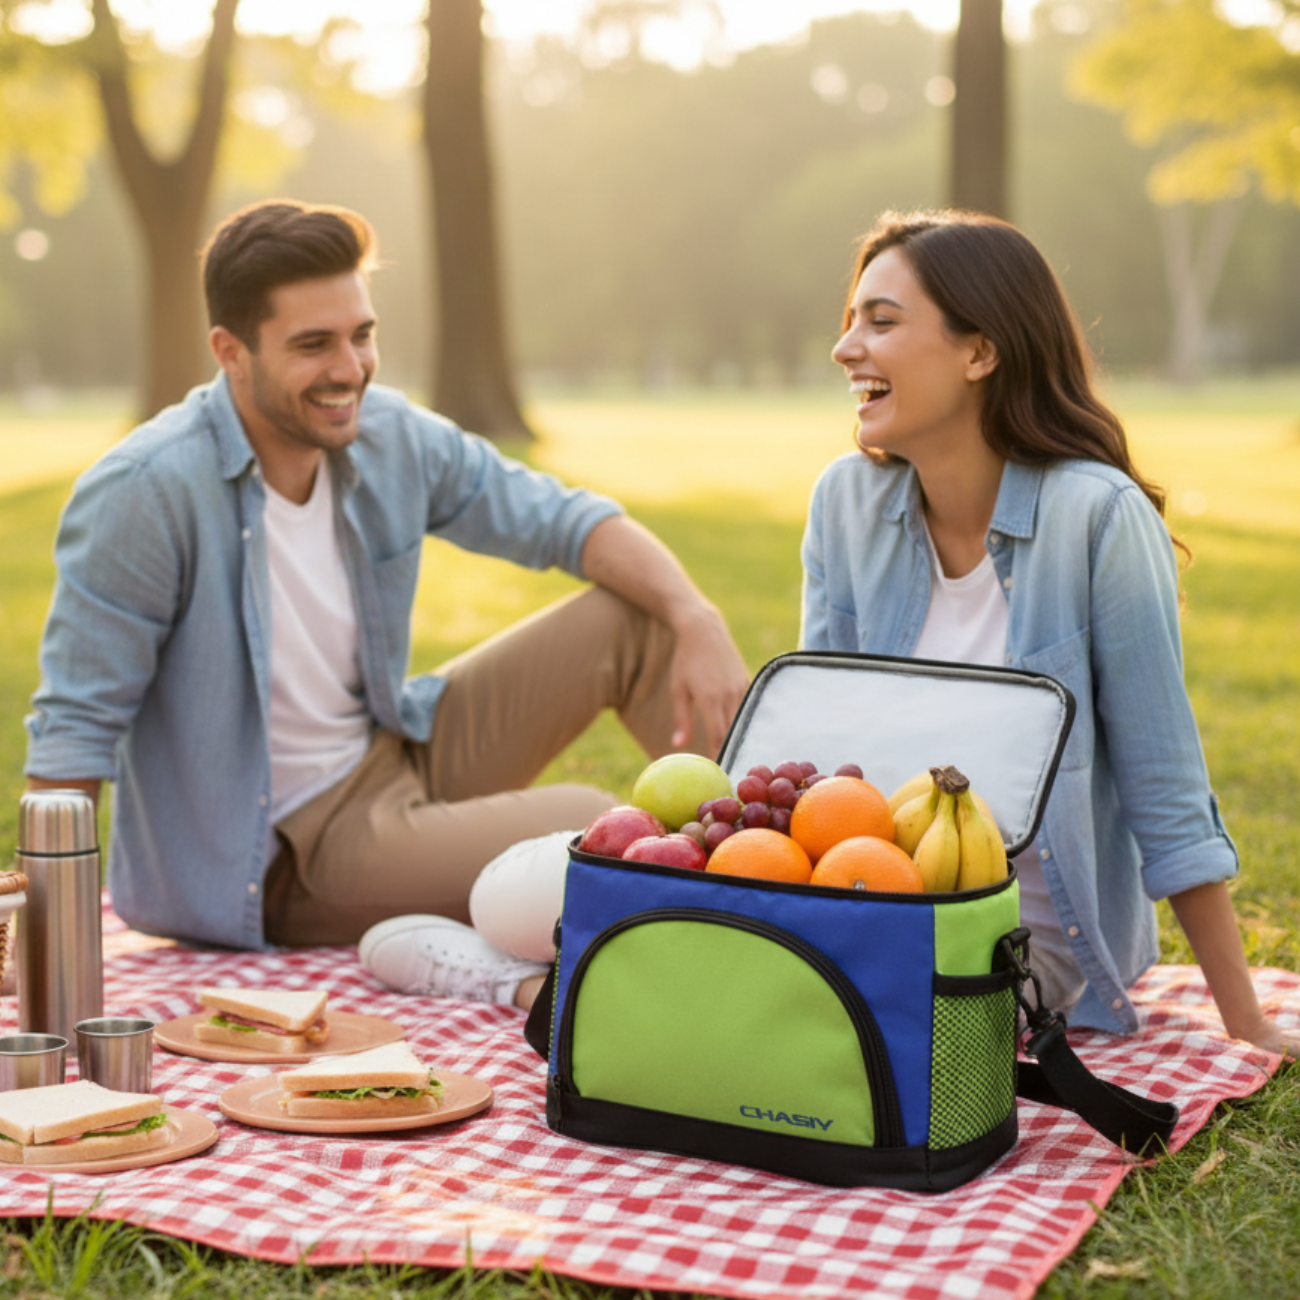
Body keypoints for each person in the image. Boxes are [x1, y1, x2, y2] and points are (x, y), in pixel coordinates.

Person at [24, 199, 750, 1011]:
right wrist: (46, 940)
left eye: (360, 335)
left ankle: (782, 885)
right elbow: (74, 727)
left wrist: (697, 616)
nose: (350, 369)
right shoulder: (147, 493)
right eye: (313, 345)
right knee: (595, 831)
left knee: (637, 616)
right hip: (278, 855)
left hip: (393, 745)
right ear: (229, 352)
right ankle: (726, 944)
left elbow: (566, 521)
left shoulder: (386, 433)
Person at [801, 207, 1297, 1057]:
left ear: (979, 351)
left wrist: (1243, 1021)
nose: (847, 347)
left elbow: (1164, 780)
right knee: (548, 902)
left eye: (881, 322)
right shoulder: (847, 502)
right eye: (850, 321)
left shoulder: (1095, 517)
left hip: (1028, 949)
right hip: (871, 910)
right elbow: (823, 749)